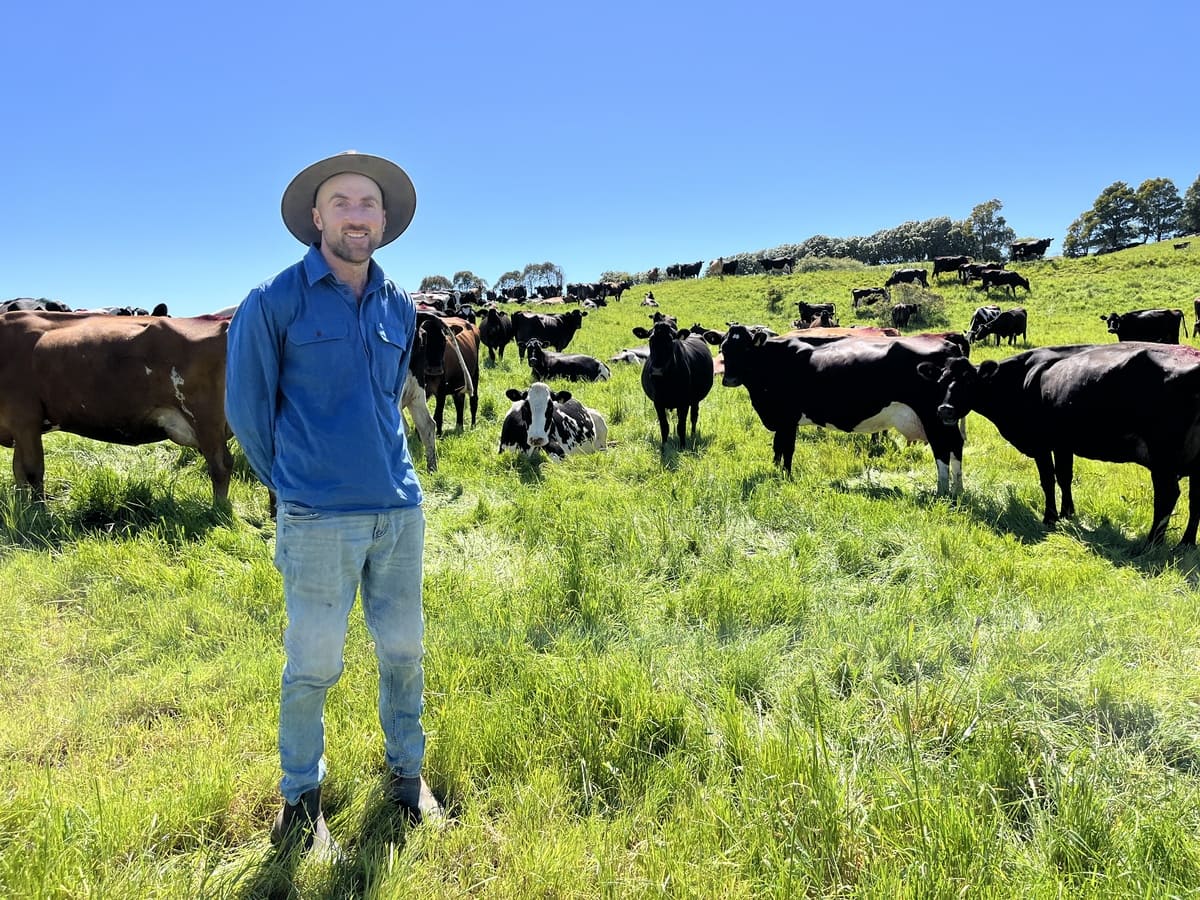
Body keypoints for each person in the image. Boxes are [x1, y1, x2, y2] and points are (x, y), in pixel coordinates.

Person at [225, 150, 442, 855]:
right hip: (318, 516)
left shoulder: (399, 304)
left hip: (398, 510)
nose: (357, 215)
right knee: (313, 664)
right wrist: (295, 486)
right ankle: (300, 798)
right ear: (316, 217)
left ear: (385, 219)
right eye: (342, 202)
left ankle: (407, 775)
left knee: (405, 651)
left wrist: (391, 475)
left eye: (368, 203)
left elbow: (388, 401)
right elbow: (248, 412)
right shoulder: (273, 302)